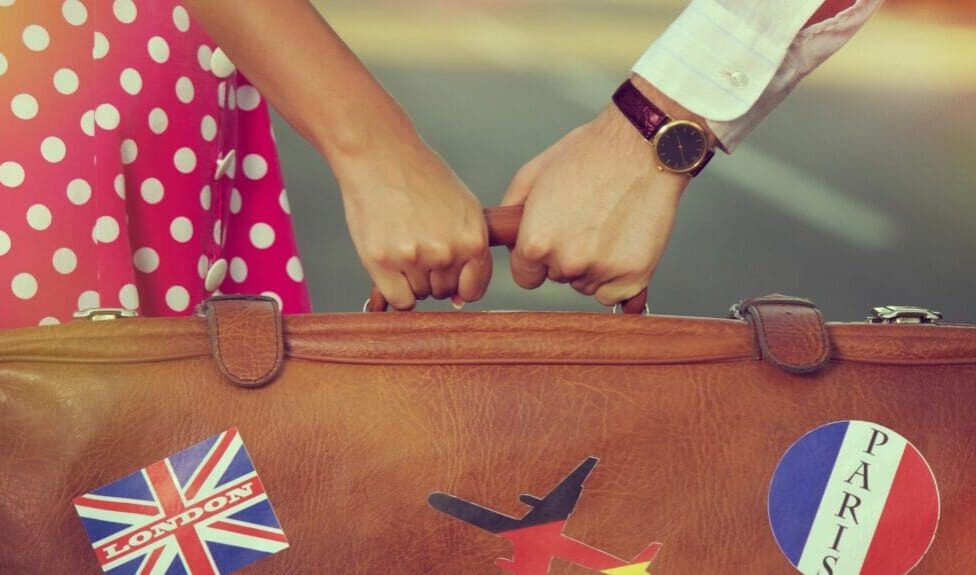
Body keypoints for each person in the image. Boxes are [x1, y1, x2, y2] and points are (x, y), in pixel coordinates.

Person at [0, 0, 881, 329]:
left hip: (134, 99)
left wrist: (648, 136)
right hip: (59, 102)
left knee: (150, 548)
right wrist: (374, 149)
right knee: (75, 512)